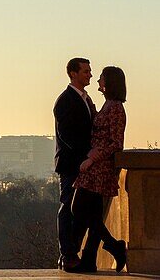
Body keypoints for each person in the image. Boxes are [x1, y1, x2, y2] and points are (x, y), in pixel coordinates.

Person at [66, 65, 127, 274]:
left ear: (110, 82)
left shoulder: (116, 107)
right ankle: (91, 258)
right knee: (91, 213)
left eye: (101, 77)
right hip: (95, 168)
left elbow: (115, 143)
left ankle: (114, 246)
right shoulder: (108, 105)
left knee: (79, 209)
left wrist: (92, 158)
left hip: (99, 169)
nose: (98, 80)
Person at [54, 57, 96, 269]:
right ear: (73, 74)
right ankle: (68, 254)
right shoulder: (66, 100)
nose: (90, 74)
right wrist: (88, 154)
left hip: (81, 164)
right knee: (68, 209)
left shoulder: (84, 99)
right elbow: (67, 135)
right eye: (86, 71)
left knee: (77, 210)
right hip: (73, 165)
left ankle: (71, 253)